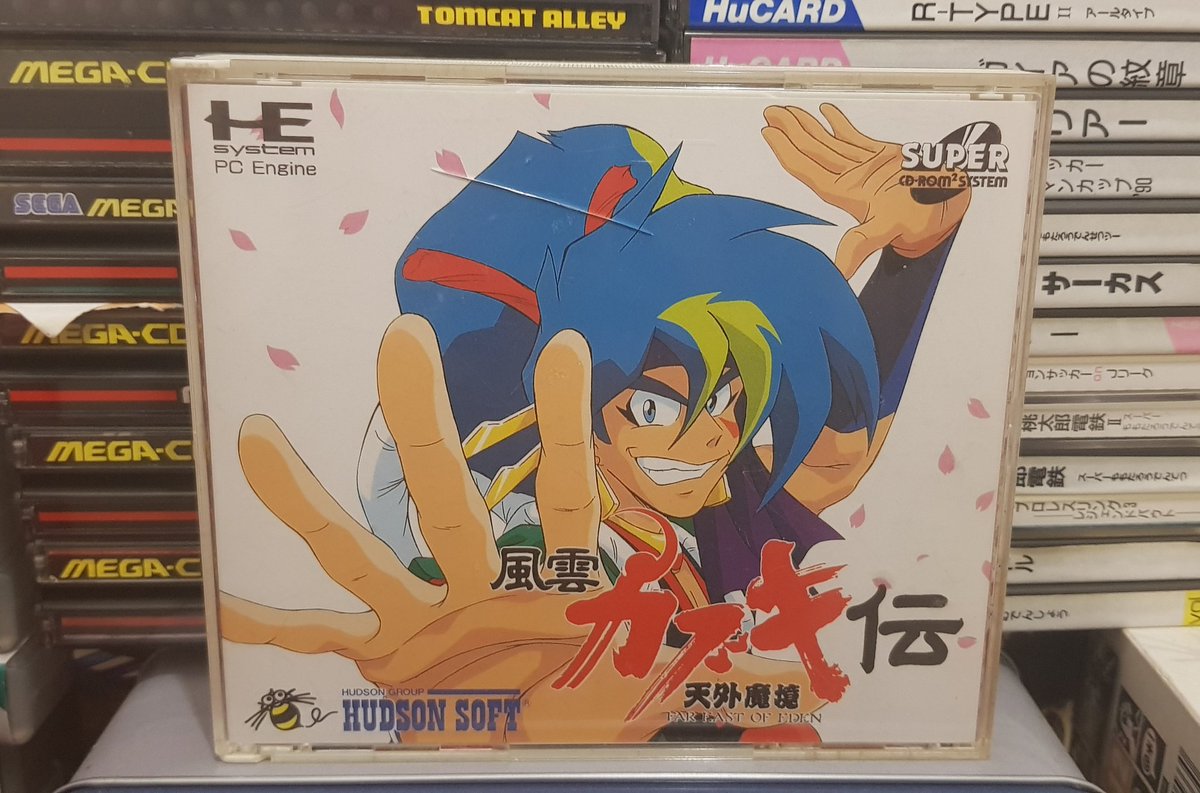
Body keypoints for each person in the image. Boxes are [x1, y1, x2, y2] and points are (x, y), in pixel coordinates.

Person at [222, 104, 971, 743]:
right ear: (571, 398)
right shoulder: (523, 532)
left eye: (731, 402)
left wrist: (916, 256)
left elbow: (837, 459)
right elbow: (499, 636)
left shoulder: (691, 509)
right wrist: (485, 720)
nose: (712, 437)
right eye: (652, 407)